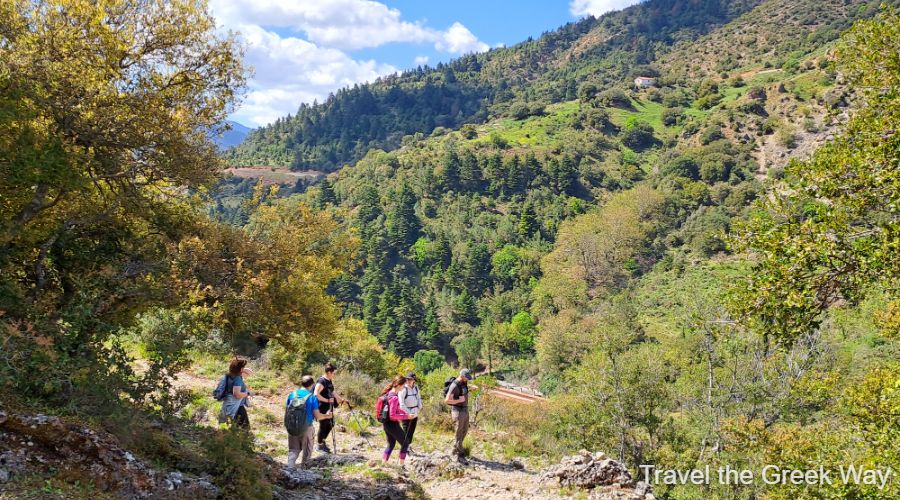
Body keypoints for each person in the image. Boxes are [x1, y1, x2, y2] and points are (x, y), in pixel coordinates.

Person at [286, 375, 333, 468]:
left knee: (293, 450)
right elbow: (318, 416)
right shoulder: (312, 397)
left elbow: (287, 411)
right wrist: (328, 415)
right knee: (307, 450)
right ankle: (304, 471)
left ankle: (289, 469)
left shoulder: (292, 395)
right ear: (312, 385)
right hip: (306, 427)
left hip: (292, 426)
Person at [380, 375, 413, 464]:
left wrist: (406, 414)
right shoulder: (394, 397)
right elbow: (392, 415)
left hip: (386, 423)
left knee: (391, 444)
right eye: (404, 385)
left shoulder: (389, 393)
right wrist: (407, 417)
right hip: (392, 424)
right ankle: (401, 465)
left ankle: (384, 463)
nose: (404, 387)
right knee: (405, 443)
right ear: (399, 385)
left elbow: (395, 410)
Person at [313, 362, 345, 453]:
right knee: (323, 425)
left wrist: (341, 400)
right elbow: (316, 394)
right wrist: (327, 400)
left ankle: (322, 442)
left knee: (331, 423)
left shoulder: (329, 380)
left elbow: (333, 392)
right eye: (334, 373)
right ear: (329, 372)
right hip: (321, 407)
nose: (334, 375)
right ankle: (319, 445)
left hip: (328, 407)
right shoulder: (321, 381)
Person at [444, 368, 473, 464]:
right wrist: (458, 401)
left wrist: (471, 390)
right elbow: (447, 400)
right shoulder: (454, 385)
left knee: (464, 431)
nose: (468, 380)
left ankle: (455, 449)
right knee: (458, 433)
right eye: (467, 378)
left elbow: (463, 393)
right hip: (458, 411)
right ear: (462, 376)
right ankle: (459, 455)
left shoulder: (464, 383)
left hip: (465, 410)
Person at [219, 357, 252, 428]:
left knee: (229, 427)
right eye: (243, 367)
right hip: (237, 407)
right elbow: (236, 394)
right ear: (240, 369)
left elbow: (249, 372)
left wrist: (243, 369)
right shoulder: (237, 379)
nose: (244, 369)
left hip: (228, 405)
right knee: (245, 429)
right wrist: (248, 393)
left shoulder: (230, 375)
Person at [398, 372, 422, 452]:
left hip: (415, 412)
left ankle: (408, 447)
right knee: (405, 431)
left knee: (411, 431)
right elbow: (401, 404)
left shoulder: (416, 387)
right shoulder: (403, 389)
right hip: (405, 413)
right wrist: (408, 413)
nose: (408, 380)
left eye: (410, 379)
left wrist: (419, 407)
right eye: (407, 379)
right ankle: (404, 448)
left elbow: (418, 398)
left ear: (414, 380)